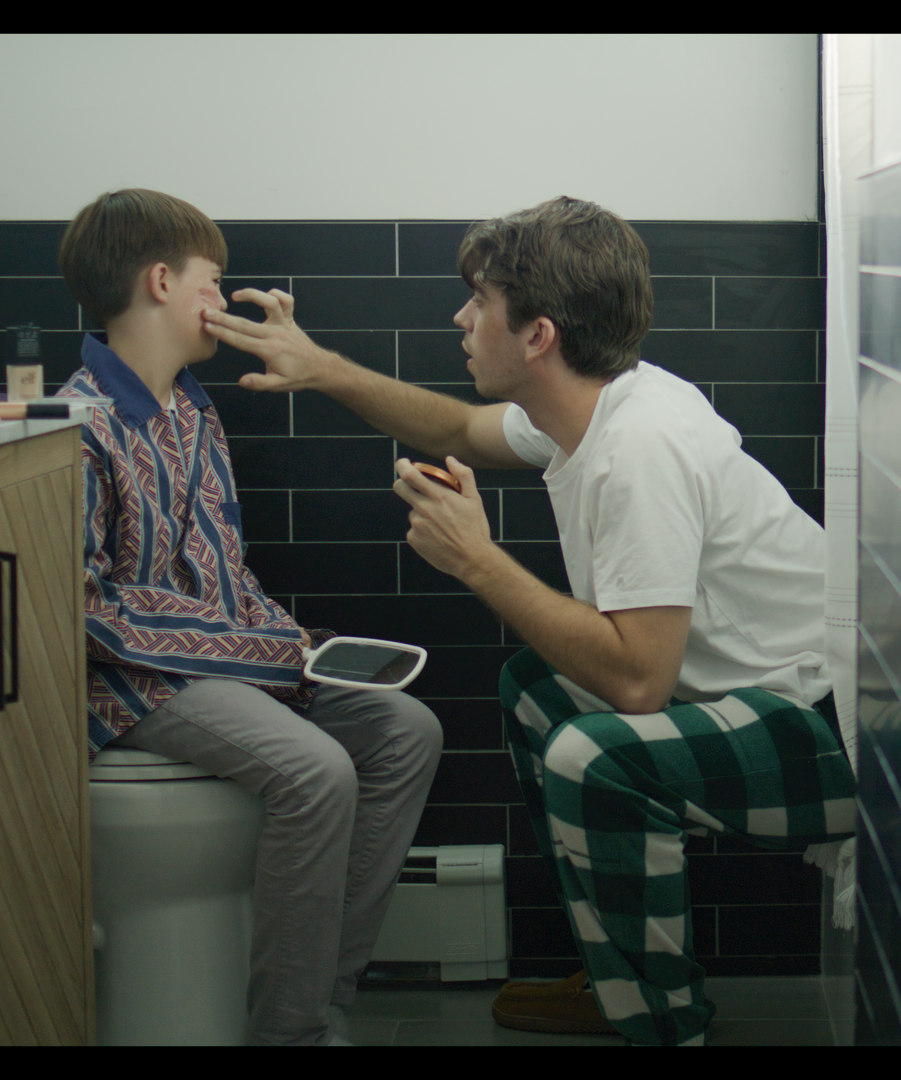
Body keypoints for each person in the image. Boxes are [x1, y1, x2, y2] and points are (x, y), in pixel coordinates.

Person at [202, 196, 856, 1046]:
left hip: (831, 729)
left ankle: (662, 1025)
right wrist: (320, 366)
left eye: (481, 301)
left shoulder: (639, 450)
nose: (461, 317)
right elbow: (461, 429)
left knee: (593, 754)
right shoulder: (591, 405)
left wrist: (476, 559)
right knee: (538, 690)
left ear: (539, 334)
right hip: (769, 702)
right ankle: (620, 974)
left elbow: (637, 679)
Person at [57, 189, 443, 1046]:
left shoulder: (195, 413)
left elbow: (223, 569)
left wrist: (291, 640)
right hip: (134, 690)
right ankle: (290, 1036)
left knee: (405, 731)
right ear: (162, 281)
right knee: (314, 771)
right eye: (213, 281)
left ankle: (318, 996)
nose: (224, 301)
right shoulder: (80, 426)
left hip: (228, 667)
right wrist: (258, 648)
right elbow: (89, 611)